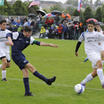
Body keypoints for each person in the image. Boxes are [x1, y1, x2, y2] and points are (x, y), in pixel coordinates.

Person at [6, 26, 58, 96]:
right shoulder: (18, 34)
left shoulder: (29, 38)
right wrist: (9, 40)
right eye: (29, 32)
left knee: (25, 72)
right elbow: (8, 34)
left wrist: (49, 44)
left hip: (20, 55)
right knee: (31, 67)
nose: (30, 34)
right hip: (16, 55)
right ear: (25, 32)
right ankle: (47, 81)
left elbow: (39, 43)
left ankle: (27, 92)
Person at [75, 20, 104, 89]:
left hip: (97, 53)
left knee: (95, 72)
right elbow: (79, 42)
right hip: (90, 53)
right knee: (99, 64)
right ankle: (103, 83)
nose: (90, 28)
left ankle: (83, 82)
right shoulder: (84, 34)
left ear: (94, 26)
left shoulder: (97, 34)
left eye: (91, 26)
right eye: (89, 26)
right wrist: (76, 51)